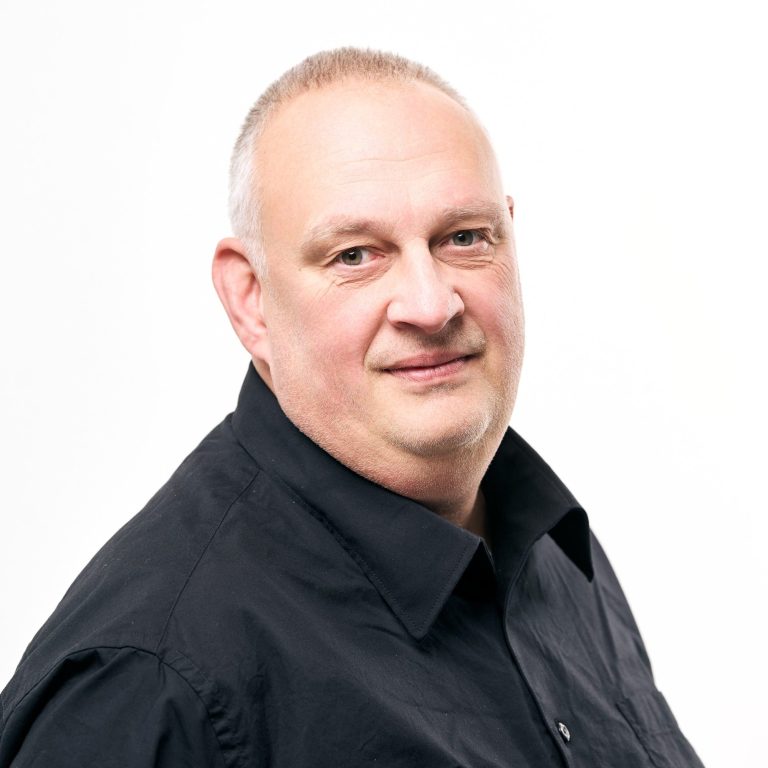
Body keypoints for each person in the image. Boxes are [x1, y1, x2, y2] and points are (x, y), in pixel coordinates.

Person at [0, 48, 705, 767]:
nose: (430, 304)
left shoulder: (548, 549)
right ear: (250, 299)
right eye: (355, 255)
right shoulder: (149, 684)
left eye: (464, 238)